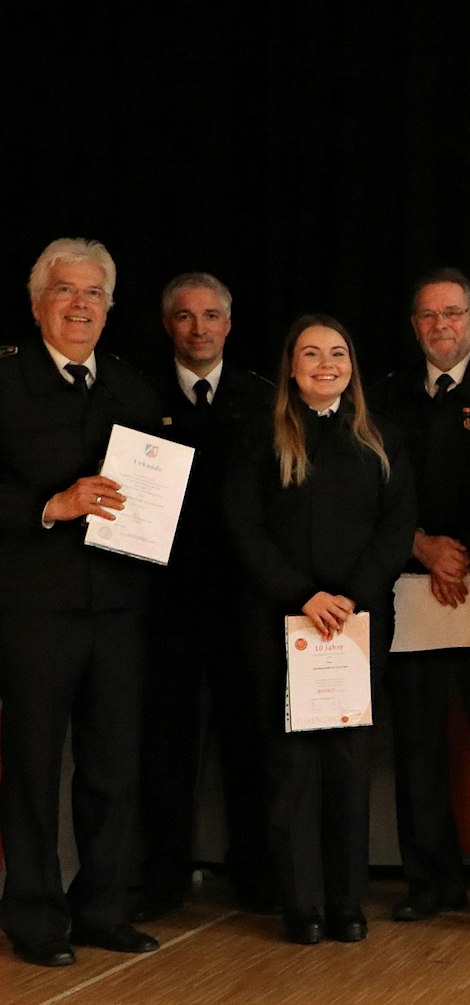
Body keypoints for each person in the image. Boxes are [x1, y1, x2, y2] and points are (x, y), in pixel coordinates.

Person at [0, 239, 166, 967]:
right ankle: (35, 918)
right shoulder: (5, 384)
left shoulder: (132, 388)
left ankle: (103, 907)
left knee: (114, 766)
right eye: (65, 291)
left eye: (94, 293)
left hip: (119, 606)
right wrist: (51, 505)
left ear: (109, 307)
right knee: (33, 767)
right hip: (34, 608)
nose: (80, 304)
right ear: (38, 303)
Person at [226, 315, 417, 945]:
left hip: (356, 626)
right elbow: (244, 528)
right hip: (281, 623)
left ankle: (346, 903)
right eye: (311, 353)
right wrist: (303, 596)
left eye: (337, 352)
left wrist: (351, 599)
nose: (325, 363)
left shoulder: (380, 436)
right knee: (290, 769)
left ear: (352, 365)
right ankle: (301, 905)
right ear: (290, 365)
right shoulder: (260, 436)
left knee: (347, 763)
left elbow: (396, 529)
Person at [370, 268, 470, 923]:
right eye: (427, 316)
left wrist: (467, 554)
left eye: (452, 313)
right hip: (412, 588)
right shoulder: (384, 396)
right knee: (418, 743)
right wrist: (423, 546)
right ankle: (429, 880)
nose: (441, 326)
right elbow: (369, 490)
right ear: (415, 327)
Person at [133, 272, 278, 922]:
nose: (199, 328)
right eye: (185, 317)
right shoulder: (138, 393)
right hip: (162, 602)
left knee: (249, 743)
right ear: (169, 324)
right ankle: (161, 878)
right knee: (163, 745)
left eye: (211, 315)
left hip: (244, 599)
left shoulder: (263, 398)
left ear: (229, 322)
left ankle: (257, 874)